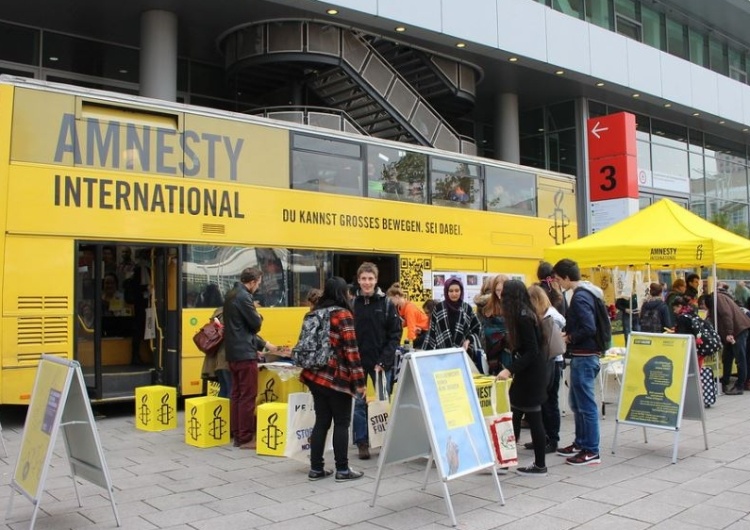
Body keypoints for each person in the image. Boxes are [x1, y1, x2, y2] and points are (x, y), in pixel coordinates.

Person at [300, 277, 366, 482]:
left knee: (321, 421)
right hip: (336, 378)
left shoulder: (314, 313)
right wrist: (359, 382)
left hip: (314, 375)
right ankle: (342, 469)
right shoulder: (343, 315)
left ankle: (316, 468)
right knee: (341, 423)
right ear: (342, 293)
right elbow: (351, 351)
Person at [223, 267, 281, 449]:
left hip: (232, 352)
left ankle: (237, 433)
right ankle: (246, 437)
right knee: (248, 396)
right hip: (245, 354)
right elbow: (255, 325)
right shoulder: (244, 297)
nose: (258, 286)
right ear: (253, 281)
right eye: (259, 283)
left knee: (237, 394)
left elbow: (239, 328)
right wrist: (258, 313)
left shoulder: (230, 294)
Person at [552, 258, 602, 466]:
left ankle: (591, 449)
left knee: (585, 405)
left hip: (585, 355)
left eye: (557, 279)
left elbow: (589, 327)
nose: (557, 283)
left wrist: (569, 337)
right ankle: (581, 442)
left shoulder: (580, 297)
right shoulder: (587, 292)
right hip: (585, 355)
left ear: (565, 277)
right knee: (577, 402)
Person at [495, 280, 548, 476]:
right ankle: (506, 460)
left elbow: (532, 351)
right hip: (529, 372)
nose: (501, 298)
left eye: (504, 294)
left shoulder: (524, 317)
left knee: (534, 417)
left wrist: (509, 369)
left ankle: (540, 465)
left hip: (531, 374)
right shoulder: (524, 313)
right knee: (515, 412)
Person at [351, 262, 402, 460]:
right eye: (363, 278)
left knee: (382, 403)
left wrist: (384, 360)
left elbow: (395, 334)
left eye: (370, 278)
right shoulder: (352, 304)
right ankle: (362, 442)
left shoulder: (386, 304)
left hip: (381, 364)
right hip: (358, 364)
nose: (367, 282)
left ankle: (382, 441)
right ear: (358, 280)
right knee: (359, 403)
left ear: (376, 280)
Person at [526, 284, 565, 454]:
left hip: (553, 362)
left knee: (550, 402)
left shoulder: (551, 316)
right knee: (543, 402)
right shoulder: (543, 314)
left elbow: (551, 343)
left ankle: (553, 438)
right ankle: (542, 438)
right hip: (546, 362)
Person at [422, 276, 482, 363]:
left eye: (457, 291)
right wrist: (425, 356)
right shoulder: (438, 308)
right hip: (442, 356)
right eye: (451, 291)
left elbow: (477, 329)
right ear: (446, 292)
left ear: (461, 291)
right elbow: (432, 333)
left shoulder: (467, 308)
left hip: (463, 355)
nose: (454, 294)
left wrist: (468, 340)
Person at [703, 289, 750, 395]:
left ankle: (739, 386)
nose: (703, 308)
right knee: (727, 357)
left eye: (702, 305)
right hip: (735, 330)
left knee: (740, 359)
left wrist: (729, 333)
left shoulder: (718, 298)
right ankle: (724, 381)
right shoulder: (718, 301)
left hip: (737, 330)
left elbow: (726, 315)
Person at [624, 355, 679, 427]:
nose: (647, 380)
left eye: (654, 377)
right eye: (647, 376)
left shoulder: (674, 408)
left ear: (669, 381)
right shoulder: (638, 401)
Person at [478, 275, 510, 375]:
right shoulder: (488, 308)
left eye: (502, 290)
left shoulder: (511, 307)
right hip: (497, 353)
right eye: (497, 290)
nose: (500, 293)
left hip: (499, 353)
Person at [386, 283, 429, 349]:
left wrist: (410, 346)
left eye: (391, 300)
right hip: (419, 331)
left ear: (397, 297)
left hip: (426, 331)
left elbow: (411, 328)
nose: (390, 302)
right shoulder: (400, 308)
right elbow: (403, 323)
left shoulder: (409, 308)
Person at [201, 308, 231, 398]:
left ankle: (221, 411)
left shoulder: (218, 313)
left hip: (216, 360)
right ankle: (228, 411)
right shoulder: (229, 315)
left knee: (224, 389)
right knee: (230, 390)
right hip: (226, 359)